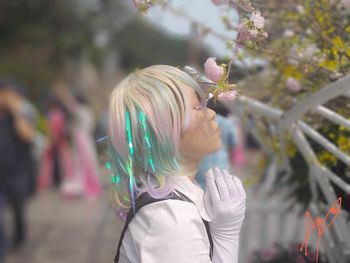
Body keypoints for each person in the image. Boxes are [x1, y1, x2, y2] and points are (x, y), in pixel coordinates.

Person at [107, 65, 246, 263]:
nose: (212, 114)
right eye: (198, 107)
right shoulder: (171, 218)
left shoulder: (173, 201)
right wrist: (226, 237)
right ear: (165, 129)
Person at [0, 81, 35, 256]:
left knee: (18, 211)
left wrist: (15, 112)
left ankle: (19, 239)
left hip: (16, 173)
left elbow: (29, 136)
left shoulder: (18, 116)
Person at [196, 98, 237, 189]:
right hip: (222, 163)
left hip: (202, 163)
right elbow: (234, 143)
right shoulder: (228, 122)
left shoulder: (202, 121)